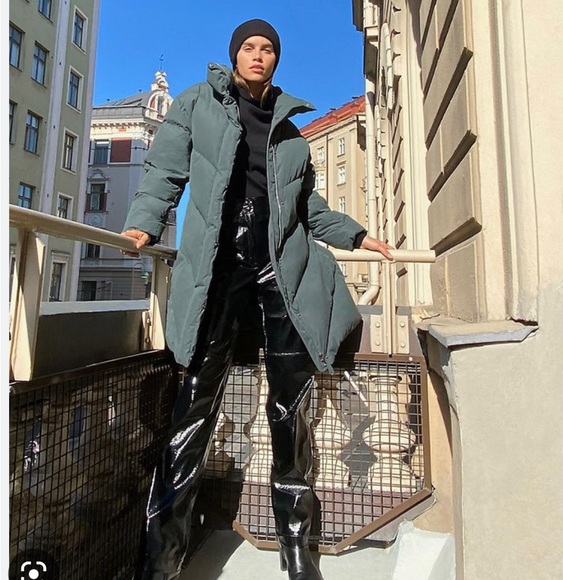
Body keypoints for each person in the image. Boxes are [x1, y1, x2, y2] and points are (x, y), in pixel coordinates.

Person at [121, 18, 394, 580]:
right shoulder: (196, 104)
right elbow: (164, 171)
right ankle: (161, 561)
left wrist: (357, 235)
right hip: (217, 268)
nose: (259, 55)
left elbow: (308, 209)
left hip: (279, 270)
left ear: (276, 60)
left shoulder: (290, 133)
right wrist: (144, 222)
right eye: (249, 46)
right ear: (234, 55)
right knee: (193, 409)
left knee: (290, 409)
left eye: (268, 49)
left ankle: (297, 547)